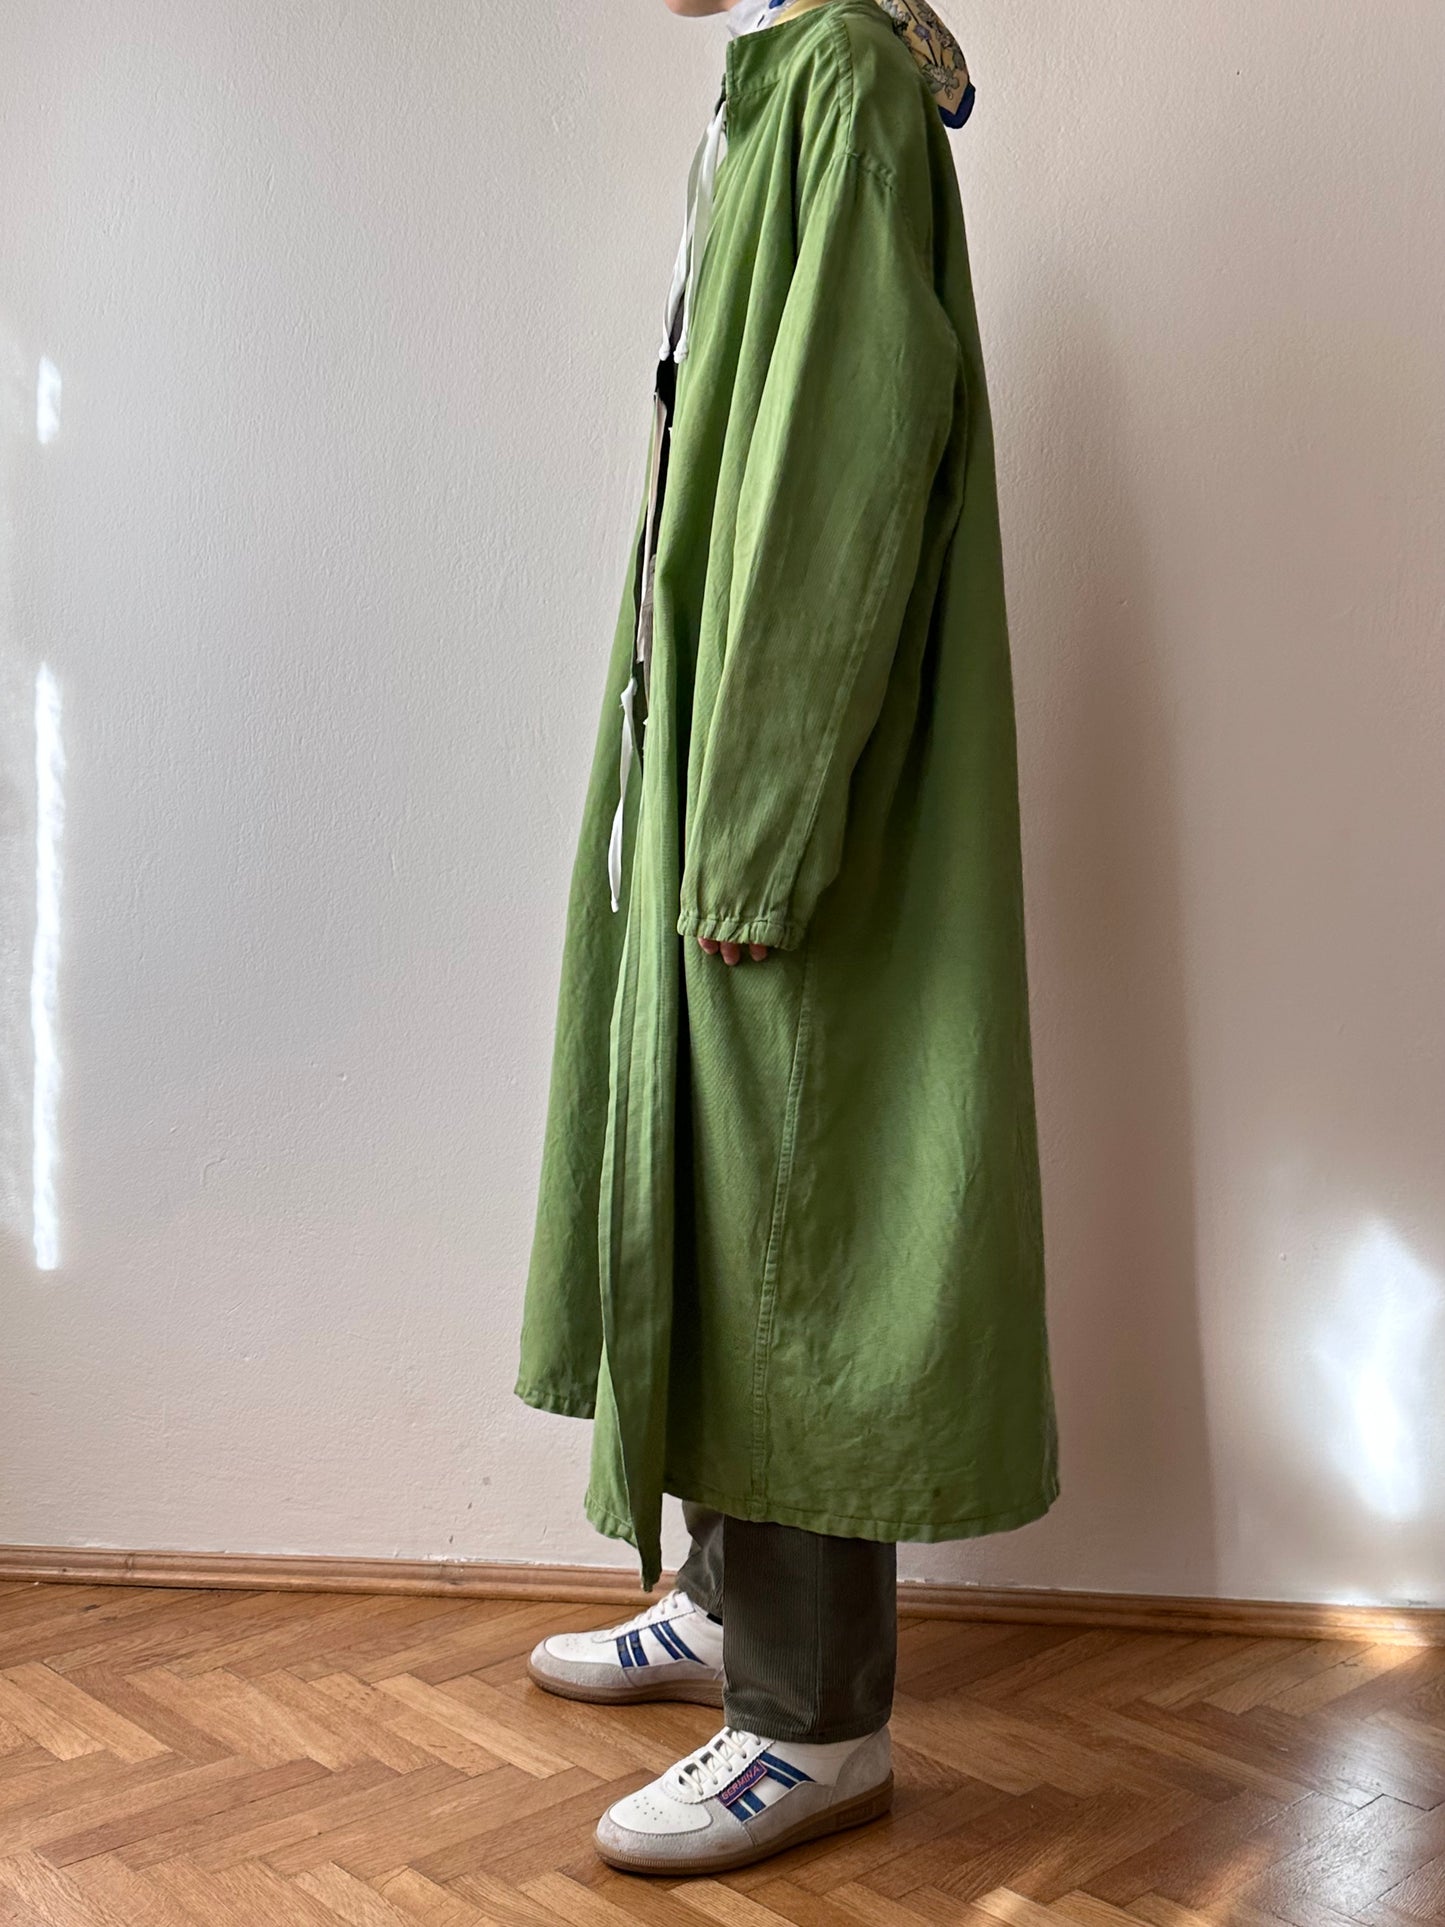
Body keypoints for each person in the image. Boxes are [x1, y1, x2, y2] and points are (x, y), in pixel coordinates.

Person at [514, 0, 1058, 1876]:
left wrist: (753, 832)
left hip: (784, 780)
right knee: (725, 1174)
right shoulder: (781, 74)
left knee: (798, 1203)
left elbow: (834, 479)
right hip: (722, 748)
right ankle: (732, 1599)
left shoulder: (833, 80)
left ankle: (814, 1722)